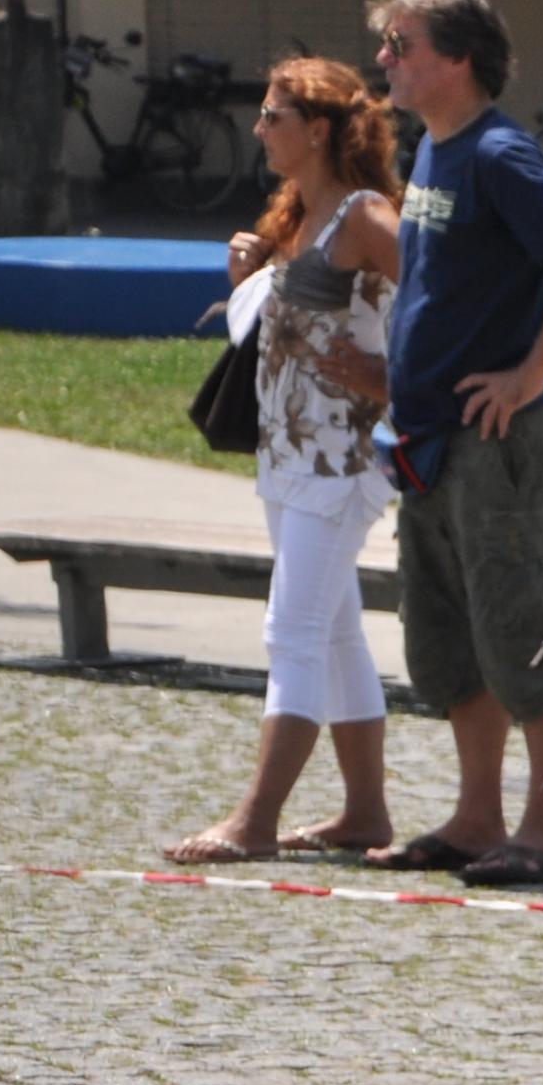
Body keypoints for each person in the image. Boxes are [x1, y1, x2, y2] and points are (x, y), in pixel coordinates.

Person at [360, 0, 543, 890]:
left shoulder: (500, 153)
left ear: (459, 60)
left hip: (495, 446)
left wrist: (530, 372)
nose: (385, 60)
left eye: (403, 45)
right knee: (450, 645)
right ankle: (477, 820)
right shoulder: (435, 149)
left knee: (518, 635)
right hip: (431, 442)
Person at [167, 58, 403, 865]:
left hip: (341, 458)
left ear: (320, 130)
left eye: (273, 117)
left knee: (291, 630)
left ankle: (256, 820)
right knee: (333, 632)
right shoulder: (299, 212)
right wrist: (249, 277)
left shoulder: (365, 216)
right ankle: (365, 814)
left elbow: (442, 298)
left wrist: (392, 378)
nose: (259, 129)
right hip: (288, 450)